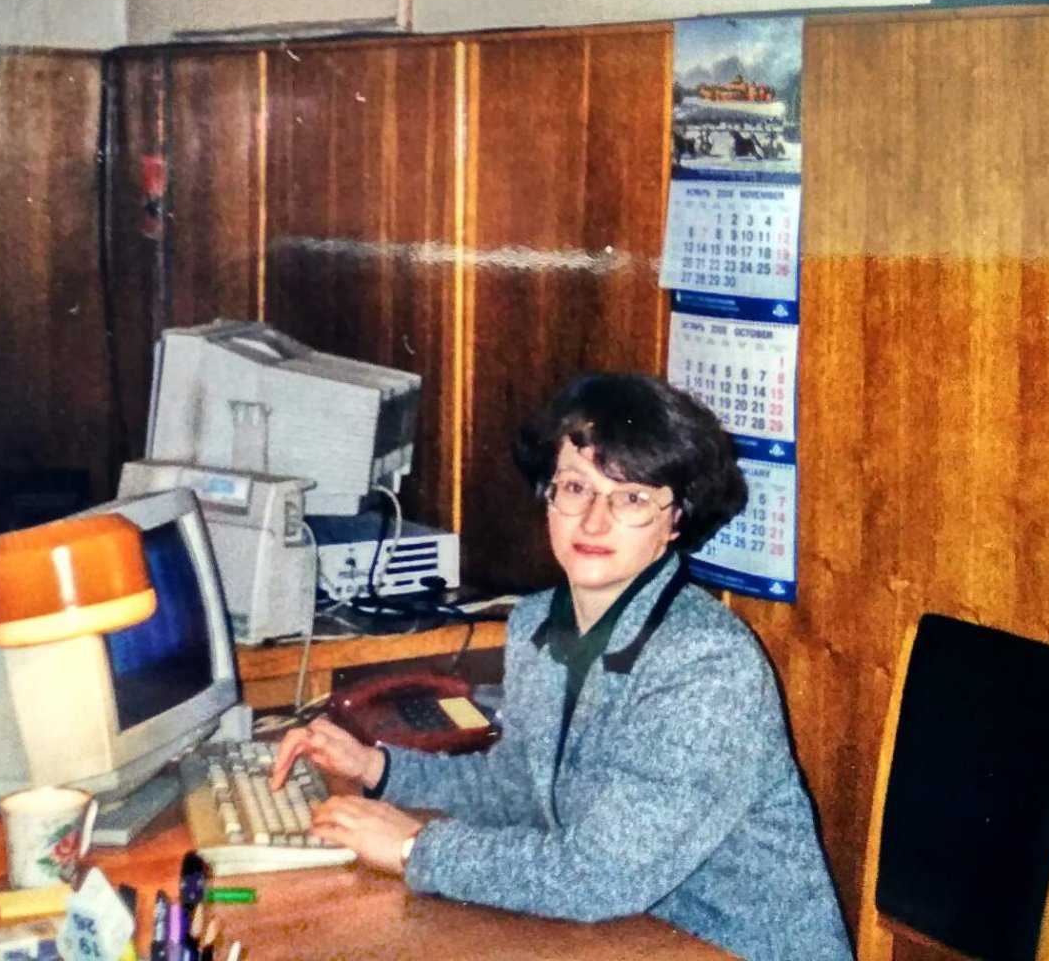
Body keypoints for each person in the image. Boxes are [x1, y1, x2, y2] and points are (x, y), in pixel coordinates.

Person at [271, 373, 851, 961]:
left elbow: (600, 876)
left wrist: (415, 849)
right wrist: (378, 768)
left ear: (676, 520)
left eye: (631, 498)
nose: (594, 522)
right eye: (575, 487)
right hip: (621, 939)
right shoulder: (539, 622)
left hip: (731, 949)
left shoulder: (707, 666)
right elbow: (519, 786)